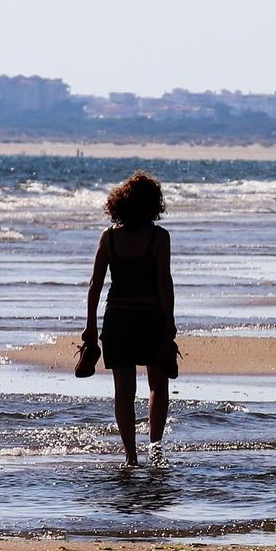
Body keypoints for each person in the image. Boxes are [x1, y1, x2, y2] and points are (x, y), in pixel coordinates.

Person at [82, 172, 176, 467]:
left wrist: (90, 326)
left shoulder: (109, 237)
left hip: (118, 319)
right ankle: (156, 450)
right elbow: (164, 282)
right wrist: (169, 322)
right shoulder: (159, 237)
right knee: (158, 386)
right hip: (151, 318)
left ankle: (131, 456)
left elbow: (95, 285)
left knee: (124, 391)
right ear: (153, 204)